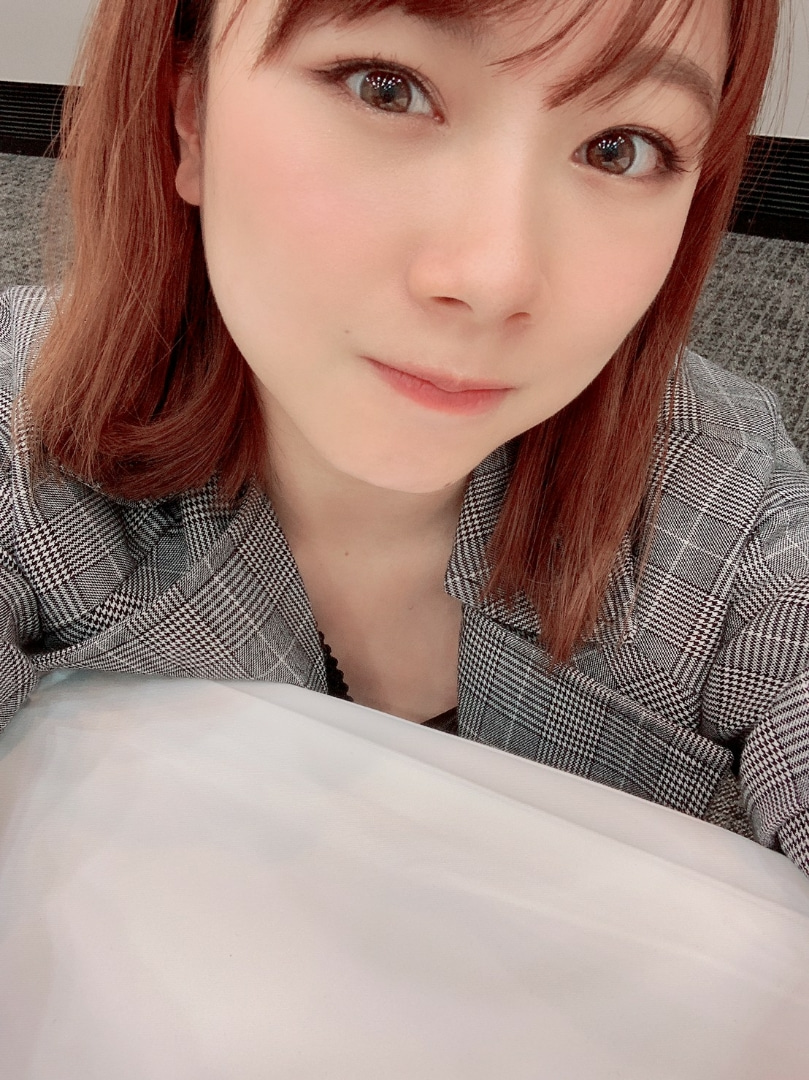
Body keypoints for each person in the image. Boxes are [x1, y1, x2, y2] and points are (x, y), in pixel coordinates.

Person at [2, 0, 806, 873]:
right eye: (384, 88)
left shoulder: (718, 495)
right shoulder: (25, 438)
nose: (494, 278)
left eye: (620, 148)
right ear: (189, 111)